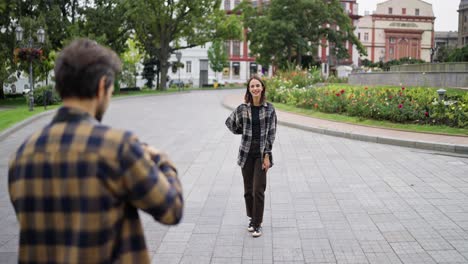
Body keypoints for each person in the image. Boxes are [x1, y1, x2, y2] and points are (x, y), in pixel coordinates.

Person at [8, 39, 184, 263]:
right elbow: (172, 210)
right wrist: (159, 158)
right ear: (102, 87)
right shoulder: (117, 147)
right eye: (111, 91)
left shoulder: (22, 155)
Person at [225, 75, 277, 237]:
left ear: (262, 88)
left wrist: (267, 155)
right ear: (249, 89)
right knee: (248, 190)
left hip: (261, 155)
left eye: (258, 86)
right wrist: (243, 131)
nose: (255, 88)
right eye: (252, 86)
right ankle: (251, 218)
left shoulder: (269, 109)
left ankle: (258, 224)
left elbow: (272, 134)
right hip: (246, 154)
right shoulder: (243, 108)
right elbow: (230, 123)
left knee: (258, 189)